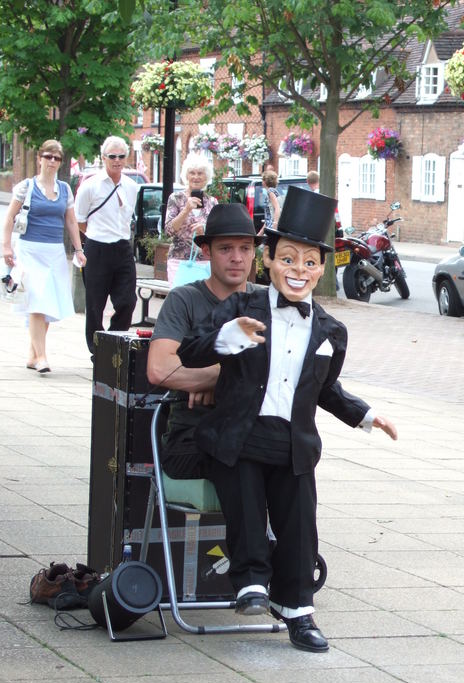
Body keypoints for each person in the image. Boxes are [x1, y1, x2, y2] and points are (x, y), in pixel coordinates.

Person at [178, 187, 397, 652]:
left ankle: (299, 611)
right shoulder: (242, 307)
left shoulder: (331, 331)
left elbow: (326, 389)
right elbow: (190, 349)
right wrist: (226, 336)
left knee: (300, 523)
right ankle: (252, 581)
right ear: (270, 261)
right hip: (236, 437)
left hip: (293, 442)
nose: (298, 271)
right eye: (288, 260)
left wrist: (366, 415)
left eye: (309, 262)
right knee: (244, 495)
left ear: (322, 268)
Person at [147, 203, 264, 479]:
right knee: (243, 458)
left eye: (245, 248)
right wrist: (227, 377)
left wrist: (216, 382)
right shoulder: (184, 299)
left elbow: (285, 372)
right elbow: (159, 368)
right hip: (192, 436)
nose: (237, 258)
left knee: (293, 458)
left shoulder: (266, 301)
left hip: (252, 430)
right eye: (226, 249)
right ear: (206, 251)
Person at [2, 139, 86, 374]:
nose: (52, 161)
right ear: (39, 158)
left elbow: (70, 221)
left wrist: (79, 250)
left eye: (56, 158)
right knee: (37, 301)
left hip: (55, 252)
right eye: (48, 156)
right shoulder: (26, 187)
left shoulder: (65, 189)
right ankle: (41, 356)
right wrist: (6, 247)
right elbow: (9, 217)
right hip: (29, 250)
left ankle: (32, 354)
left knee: (47, 302)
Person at [74, 135, 139, 357]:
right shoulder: (90, 185)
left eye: (121, 156)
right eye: (112, 156)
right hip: (97, 247)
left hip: (122, 247)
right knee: (95, 304)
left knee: (128, 301)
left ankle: (113, 342)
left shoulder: (131, 186)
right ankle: (96, 349)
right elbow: (79, 219)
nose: (117, 160)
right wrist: (93, 237)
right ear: (103, 158)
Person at [164, 153, 218, 286]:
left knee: (203, 302)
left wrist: (203, 231)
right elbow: (168, 231)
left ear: (207, 177)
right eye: (192, 173)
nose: (196, 177)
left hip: (204, 263)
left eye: (200, 173)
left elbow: (217, 236)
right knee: (180, 302)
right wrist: (186, 210)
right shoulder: (176, 198)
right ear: (186, 175)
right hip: (179, 261)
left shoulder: (212, 202)